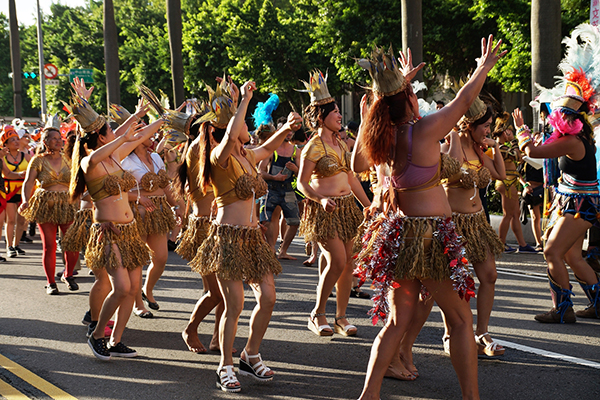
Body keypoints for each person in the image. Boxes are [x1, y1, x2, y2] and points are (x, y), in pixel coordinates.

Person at [352, 38, 505, 400]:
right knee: (460, 320)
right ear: (407, 101)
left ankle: (369, 395)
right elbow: (464, 101)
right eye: (410, 94)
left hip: (402, 236)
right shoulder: (422, 131)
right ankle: (471, 397)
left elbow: (357, 163)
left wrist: (381, 100)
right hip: (432, 237)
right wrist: (483, 67)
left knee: (397, 321)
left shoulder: (386, 138)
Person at [189, 79, 302, 392]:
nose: (246, 127)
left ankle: (250, 354)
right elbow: (229, 135)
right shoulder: (218, 157)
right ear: (224, 130)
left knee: (268, 297)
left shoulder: (247, 156)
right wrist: (245, 100)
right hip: (227, 238)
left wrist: (287, 128)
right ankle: (224, 364)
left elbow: (267, 147)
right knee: (234, 304)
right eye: (238, 125)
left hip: (253, 239)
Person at [67, 93, 163, 360]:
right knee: (120, 287)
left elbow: (139, 135)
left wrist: (157, 118)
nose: (117, 134)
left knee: (132, 289)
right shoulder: (90, 162)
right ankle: (97, 334)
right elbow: (118, 141)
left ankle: (115, 340)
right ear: (101, 137)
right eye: (110, 131)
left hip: (130, 230)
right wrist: (125, 134)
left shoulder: (115, 157)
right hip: (108, 232)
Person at [297, 70, 370, 338]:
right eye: (335, 112)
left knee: (347, 265)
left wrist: (367, 205)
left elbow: (351, 177)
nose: (340, 116)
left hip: (347, 208)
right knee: (337, 260)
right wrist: (321, 199)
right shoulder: (312, 147)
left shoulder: (340, 143)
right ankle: (317, 314)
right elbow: (301, 184)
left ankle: (340, 317)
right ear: (321, 117)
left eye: (340, 111)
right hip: (324, 211)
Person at [19, 126, 79, 295]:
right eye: (54, 138)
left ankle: (68, 274)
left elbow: (77, 181)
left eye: (60, 138)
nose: (59, 140)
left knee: (71, 244)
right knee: (49, 246)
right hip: (46, 206)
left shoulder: (69, 159)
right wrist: (25, 201)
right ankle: (51, 282)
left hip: (67, 205)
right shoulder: (37, 160)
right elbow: (28, 183)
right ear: (45, 142)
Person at [492, 112, 538, 253]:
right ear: (504, 131)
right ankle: (501, 244)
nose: (511, 133)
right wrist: (513, 140)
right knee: (508, 214)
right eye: (509, 131)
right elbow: (518, 157)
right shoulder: (500, 147)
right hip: (506, 183)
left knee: (515, 213)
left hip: (511, 181)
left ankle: (522, 244)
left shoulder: (502, 146)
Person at [1, 125, 32, 258]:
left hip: (24, 190)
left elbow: (34, 171)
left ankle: (16, 244)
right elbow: (7, 174)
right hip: (8, 190)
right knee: (11, 220)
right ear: (5, 144)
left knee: (22, 220)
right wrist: (21, 174)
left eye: (17, 139)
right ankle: (9, 246)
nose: (16, 141)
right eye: (12, 140)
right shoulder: (2, 157)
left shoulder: (26, 156)